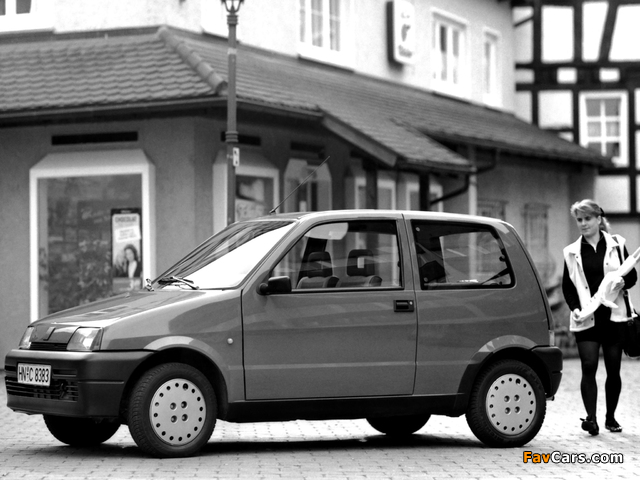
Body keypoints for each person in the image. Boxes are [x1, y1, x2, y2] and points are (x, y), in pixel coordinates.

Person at [562, 199, 637, 436]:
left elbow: (632, 276)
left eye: (587, 219)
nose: (583, 223)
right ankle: (591, 419)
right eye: (579, 220)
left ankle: (610, 417)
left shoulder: (617, 244)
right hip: (586, 316)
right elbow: (568, 286)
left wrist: (621, 282)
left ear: (598, 219)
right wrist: (574, 308)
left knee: (613, 369)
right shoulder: (571, 251)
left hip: (614, 317)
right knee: (588, 366)